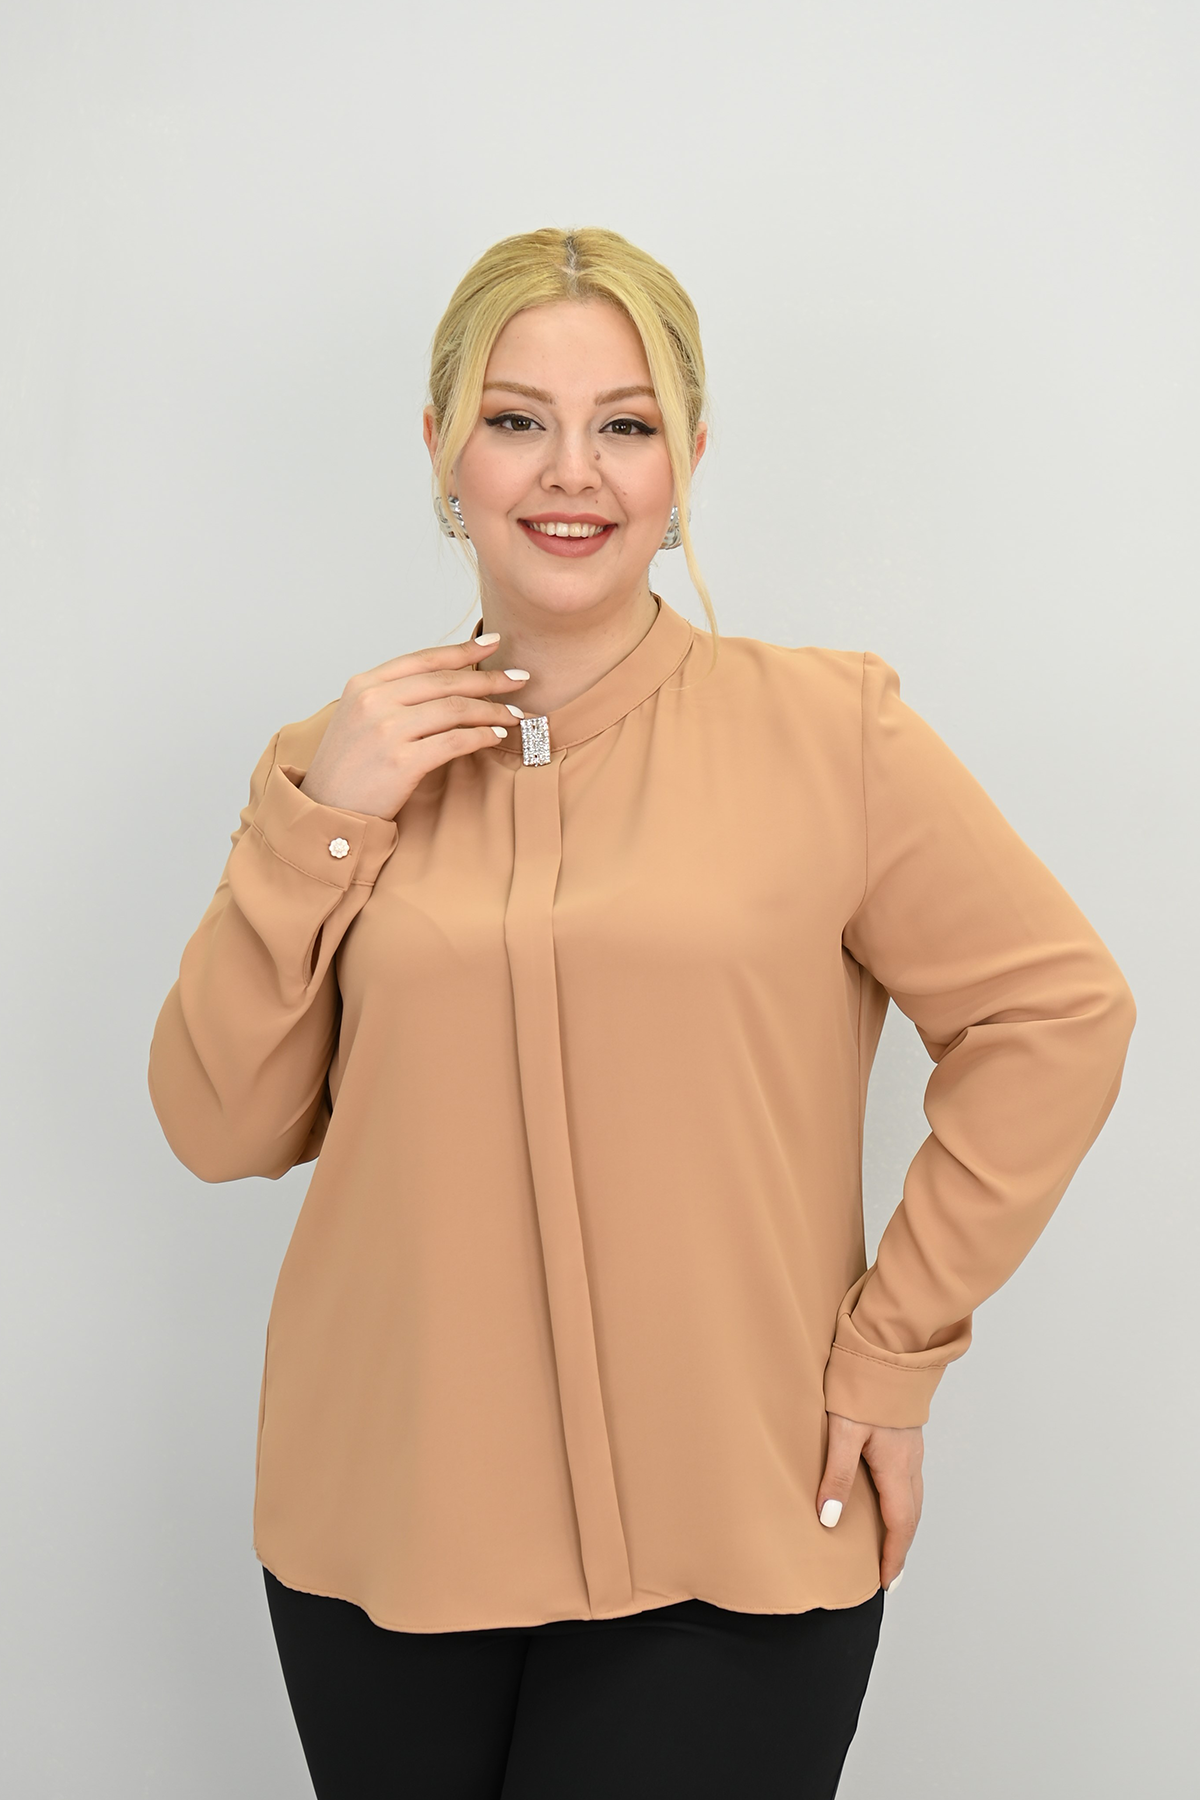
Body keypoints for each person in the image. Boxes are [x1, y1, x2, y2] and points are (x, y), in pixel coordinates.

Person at [148, 227, 1136, 1799]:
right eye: (516, 418)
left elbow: (1056, 1011)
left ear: (688, 457)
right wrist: (322, 821)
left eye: (625, 422)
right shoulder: (336, 761)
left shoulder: (830, 734)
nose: (573, 471)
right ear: (442, 449)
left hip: (734, 1533)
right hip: (382, 1535)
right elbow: (219, 1126)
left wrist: (892, 1353)